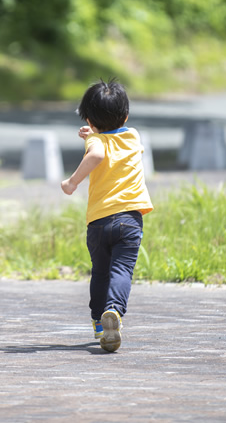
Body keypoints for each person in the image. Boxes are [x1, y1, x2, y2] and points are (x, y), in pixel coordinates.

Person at [60, 79, 153, 352]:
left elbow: (99, 151)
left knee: (100, 272)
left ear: (88, 118)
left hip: (99, 221)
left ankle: (99, 324)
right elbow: (112, 142)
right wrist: (97, 133)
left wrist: (73, 182)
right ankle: (114, 310)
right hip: (130, 220)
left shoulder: (95, 141)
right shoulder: (133, 135)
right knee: (121, 269)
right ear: (125, 116)